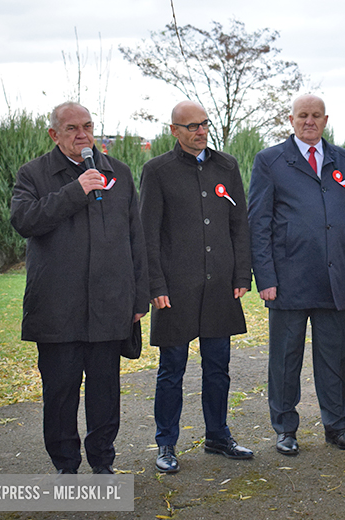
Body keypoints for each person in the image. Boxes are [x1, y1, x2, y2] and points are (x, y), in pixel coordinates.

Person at [10, 101, 149, 474]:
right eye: (72, 128)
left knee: (105, 393)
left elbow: (135, 238)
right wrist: (76, 189)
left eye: (87, 126)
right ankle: (65, 466)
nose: (82, 134)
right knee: (60, 394)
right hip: (57, 307)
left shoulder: (117, 172)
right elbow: (24, 220)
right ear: (54, 135)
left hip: (109, 305)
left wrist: (139, 297)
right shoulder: (33, 174)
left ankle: (103, 461)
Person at [248, 94, 345, 456]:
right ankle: (285, 428)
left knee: (335, 358)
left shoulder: (343, 160)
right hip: (289, 279)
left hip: (334, 278)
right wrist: (266, 277)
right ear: (291, 119)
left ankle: (337, 427)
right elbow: (260, 223)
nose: (309, 122)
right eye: (303, 115)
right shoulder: (270, 161)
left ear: (326, 119)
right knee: (285, 360)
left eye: (316, 116)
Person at [139, 100, 253, 473]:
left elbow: (239, 224)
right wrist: (155, 284)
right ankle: (166, 443)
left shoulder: (227, 166)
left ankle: (218, 436)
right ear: (174, 130)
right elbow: (148, 234)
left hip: (220, 286)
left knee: (218, 368)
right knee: (172, 369)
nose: (200, 131)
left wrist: (241, 275)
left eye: (204, 124)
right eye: (191, 126)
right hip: (175, 291)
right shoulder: (157, 171)